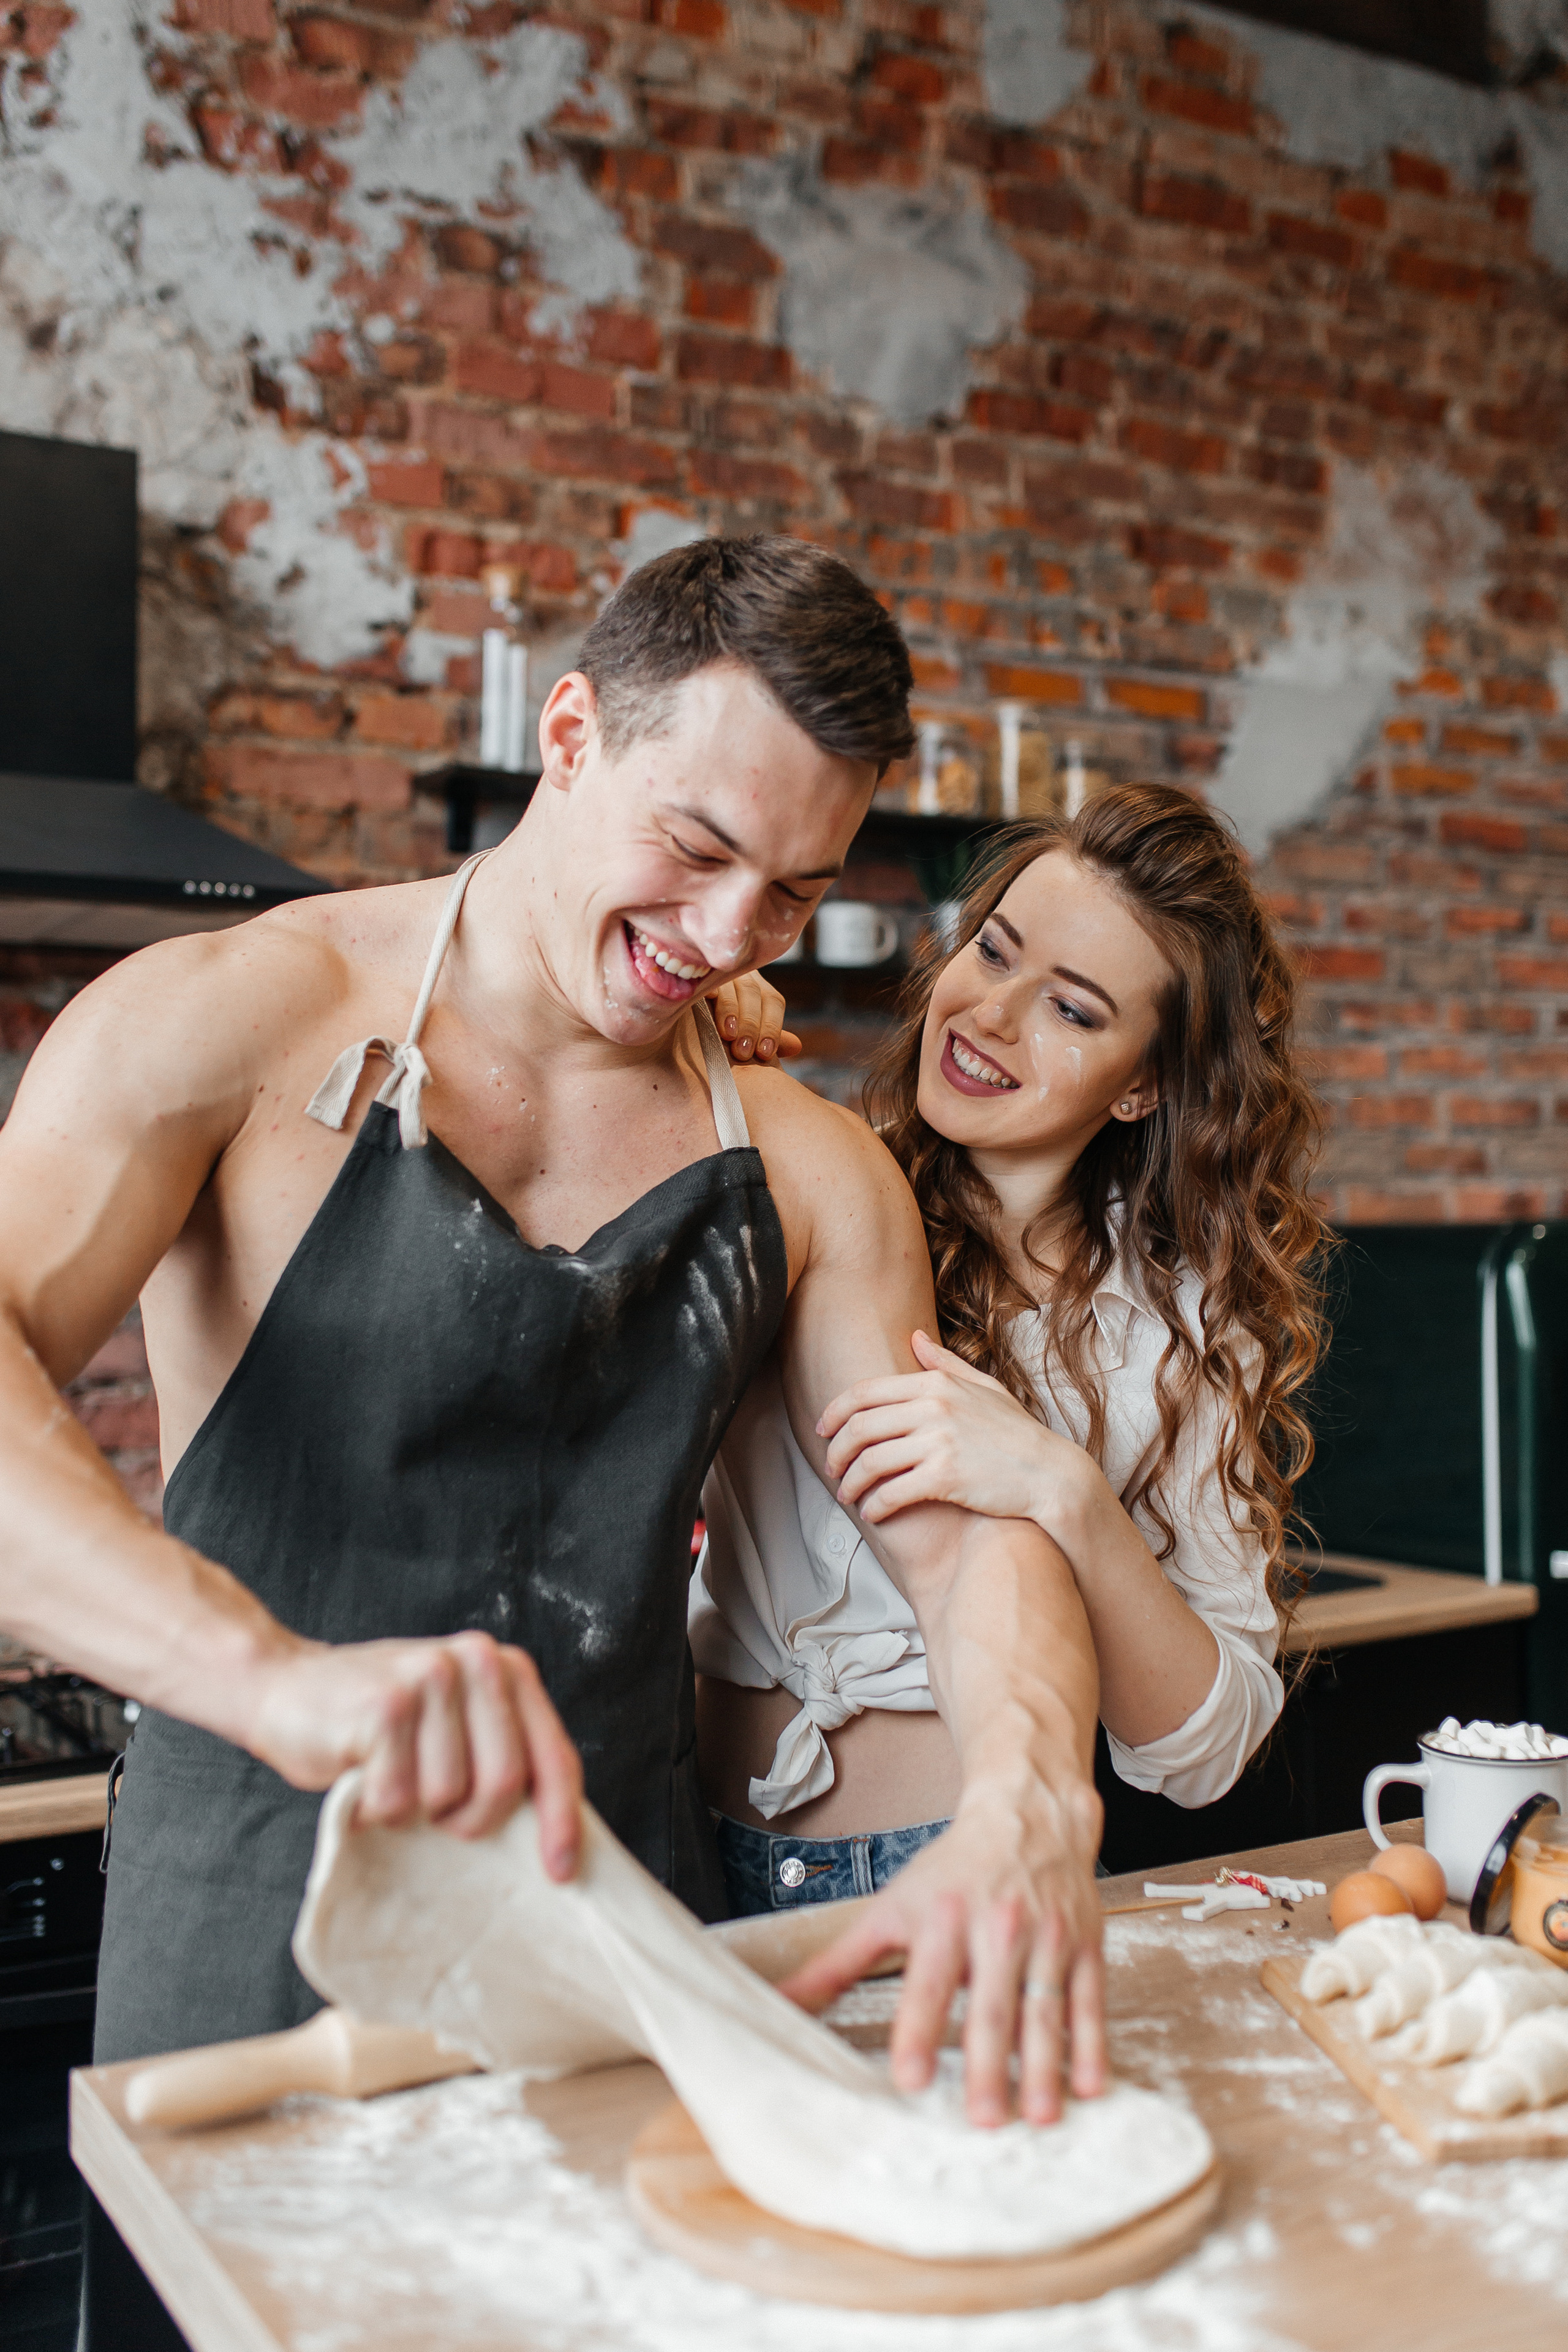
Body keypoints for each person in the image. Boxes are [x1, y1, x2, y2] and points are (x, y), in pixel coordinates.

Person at [0, 538, 1106, 2147]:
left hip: (622, 1945)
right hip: (248, 1910)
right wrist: (272, 1681)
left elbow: (958, 1539)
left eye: (795, 890)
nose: (732, 934)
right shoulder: (229, 1021)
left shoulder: (805, 1167)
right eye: (699, 846)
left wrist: (1033, 1792)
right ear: (572, 734)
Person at [692, 784, 1329, 1915]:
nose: (988, 1015)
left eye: (1073, 1011)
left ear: (1145, 1085)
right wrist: (687, 1034)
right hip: (681, 1842)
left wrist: (1064, 1491)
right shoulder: (803, 1181)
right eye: (993, 953)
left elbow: (1207, 1748)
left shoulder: (1176, 1338)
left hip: (945, 1869)